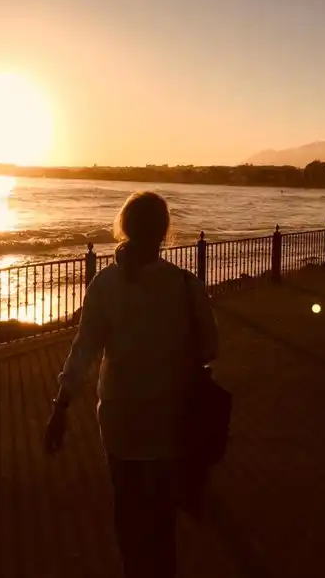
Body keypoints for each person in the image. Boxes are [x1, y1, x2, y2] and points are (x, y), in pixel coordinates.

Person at [44, 191, 219, 578]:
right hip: (170, 416)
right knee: (161, 516)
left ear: (124, 227)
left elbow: (84, 349)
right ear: (164, 232)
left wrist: (61, 406)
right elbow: (211, 347)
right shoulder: (186, 286)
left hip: (120, 415)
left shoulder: (105, 284)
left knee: (126, 509)